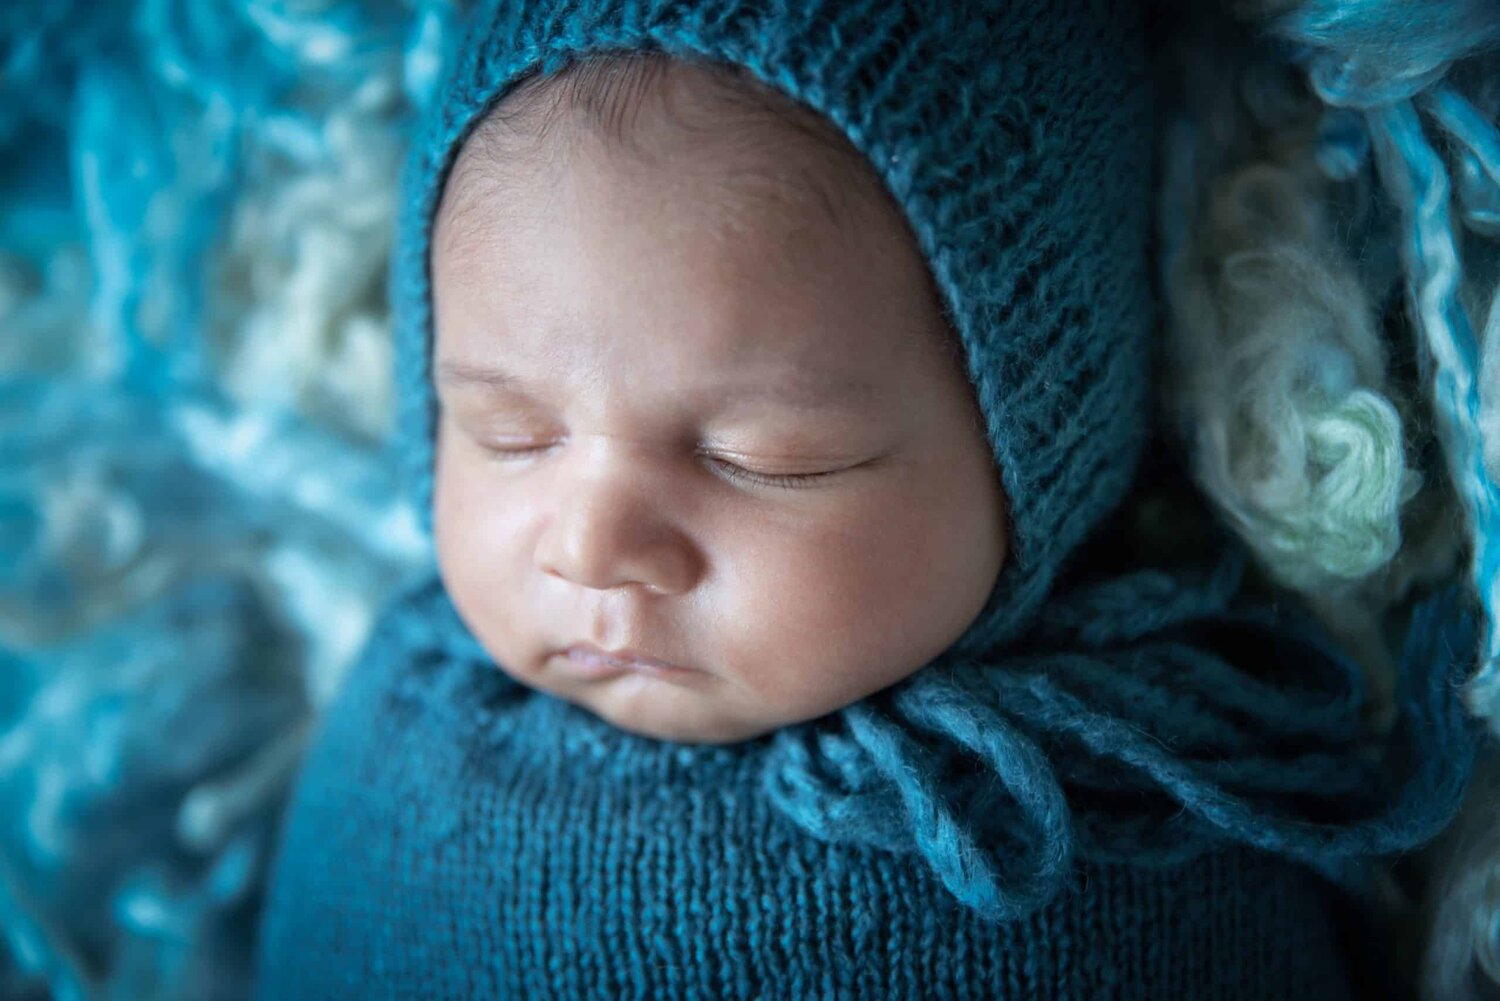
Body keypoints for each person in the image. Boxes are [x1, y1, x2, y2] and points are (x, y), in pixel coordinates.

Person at [254, 0, 1481, 996]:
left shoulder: (1125, 815)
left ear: (1038, 442)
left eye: (764, 456)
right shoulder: (398, 738)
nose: (594, 543)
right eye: (505, 432)